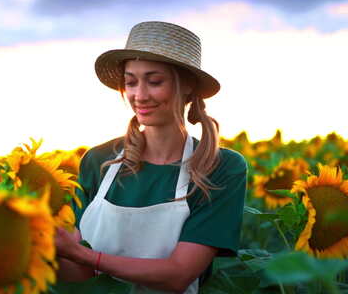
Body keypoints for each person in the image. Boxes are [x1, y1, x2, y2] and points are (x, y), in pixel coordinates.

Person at [55, 21, 248, 294]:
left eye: (155, 81)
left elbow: (178, 275)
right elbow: (77, 272)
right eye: (130, 82)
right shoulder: (98, 160)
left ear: (188, 86)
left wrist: (82, 255)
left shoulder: (219, 167)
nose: (140, 96)